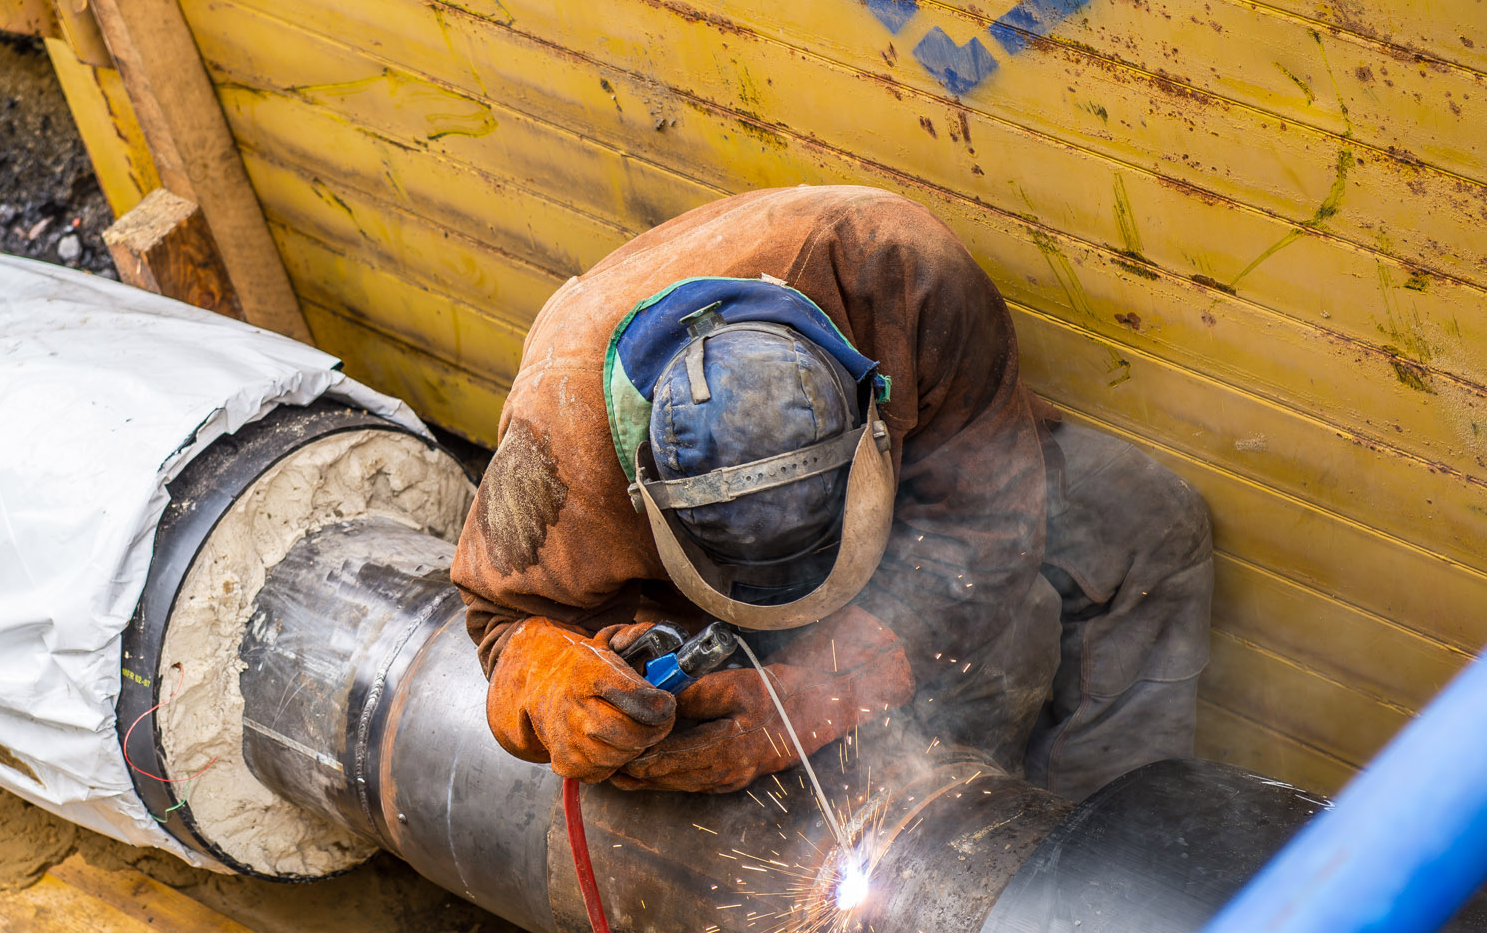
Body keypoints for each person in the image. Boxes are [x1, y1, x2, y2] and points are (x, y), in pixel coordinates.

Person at [451, 185, 1213, 801]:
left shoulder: (903, 276)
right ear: (645, 496)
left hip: (927, 467)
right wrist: (548, 680)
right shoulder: (557, 441)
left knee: (1147, 520)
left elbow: (987, 527)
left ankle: (1110, 841)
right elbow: (499, 613)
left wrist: (818, 696)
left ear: (870, 416)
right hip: (690, 604)